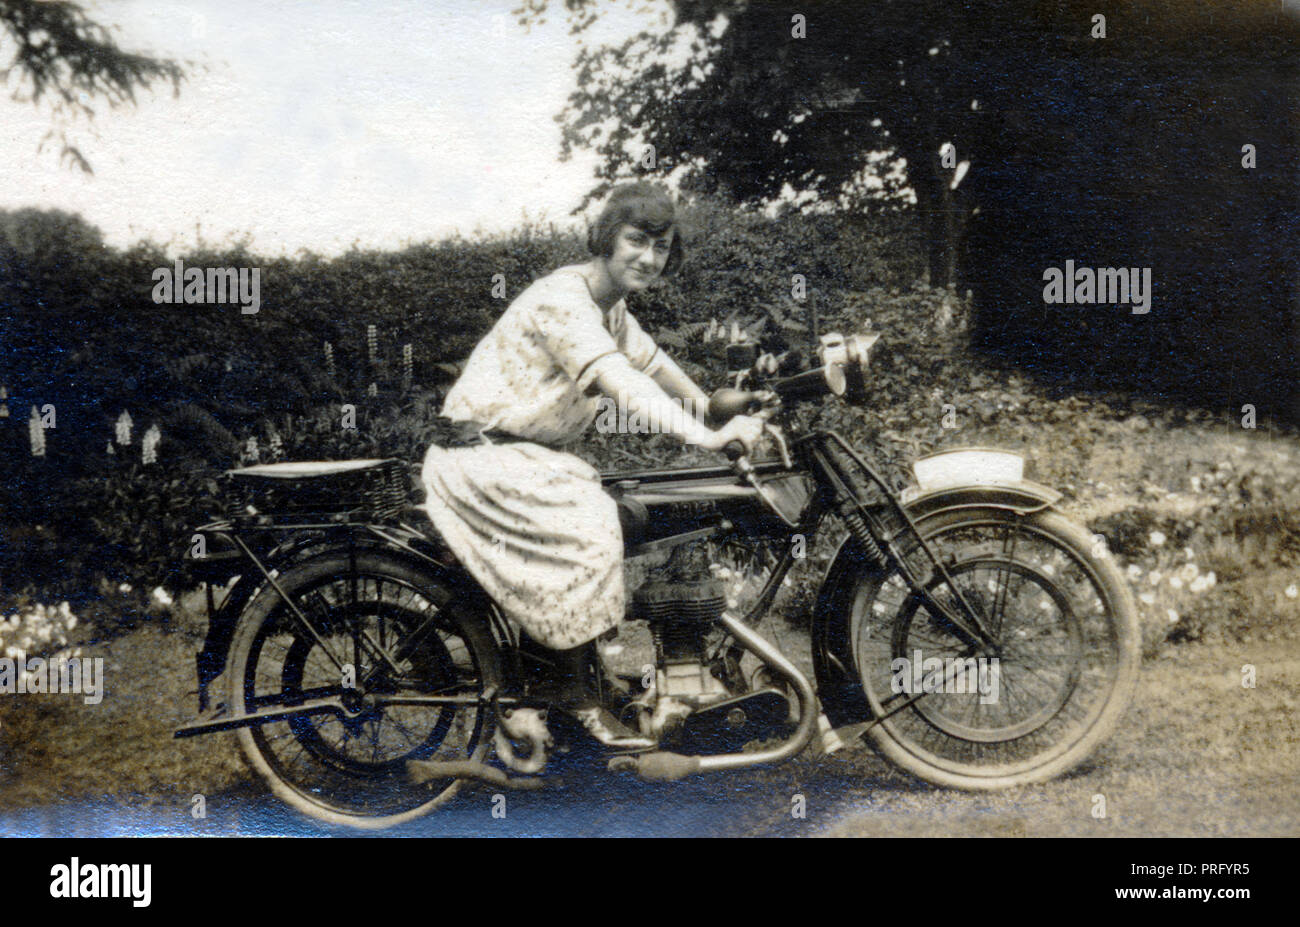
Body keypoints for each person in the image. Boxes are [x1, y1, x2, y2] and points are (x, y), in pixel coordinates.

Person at [421, 182, 764, 747]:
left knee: (615, 510)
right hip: (481, 460)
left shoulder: (612, 310)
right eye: (637, 240)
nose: (648, 258)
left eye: (661, 247)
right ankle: (565, 694)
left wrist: (712, 408)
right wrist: (707, 436)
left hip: (521, 458)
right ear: (607, 238)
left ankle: (571, 677)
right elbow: (620, 381)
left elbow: (654, 366)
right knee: (592, 523)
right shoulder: (565, 299)